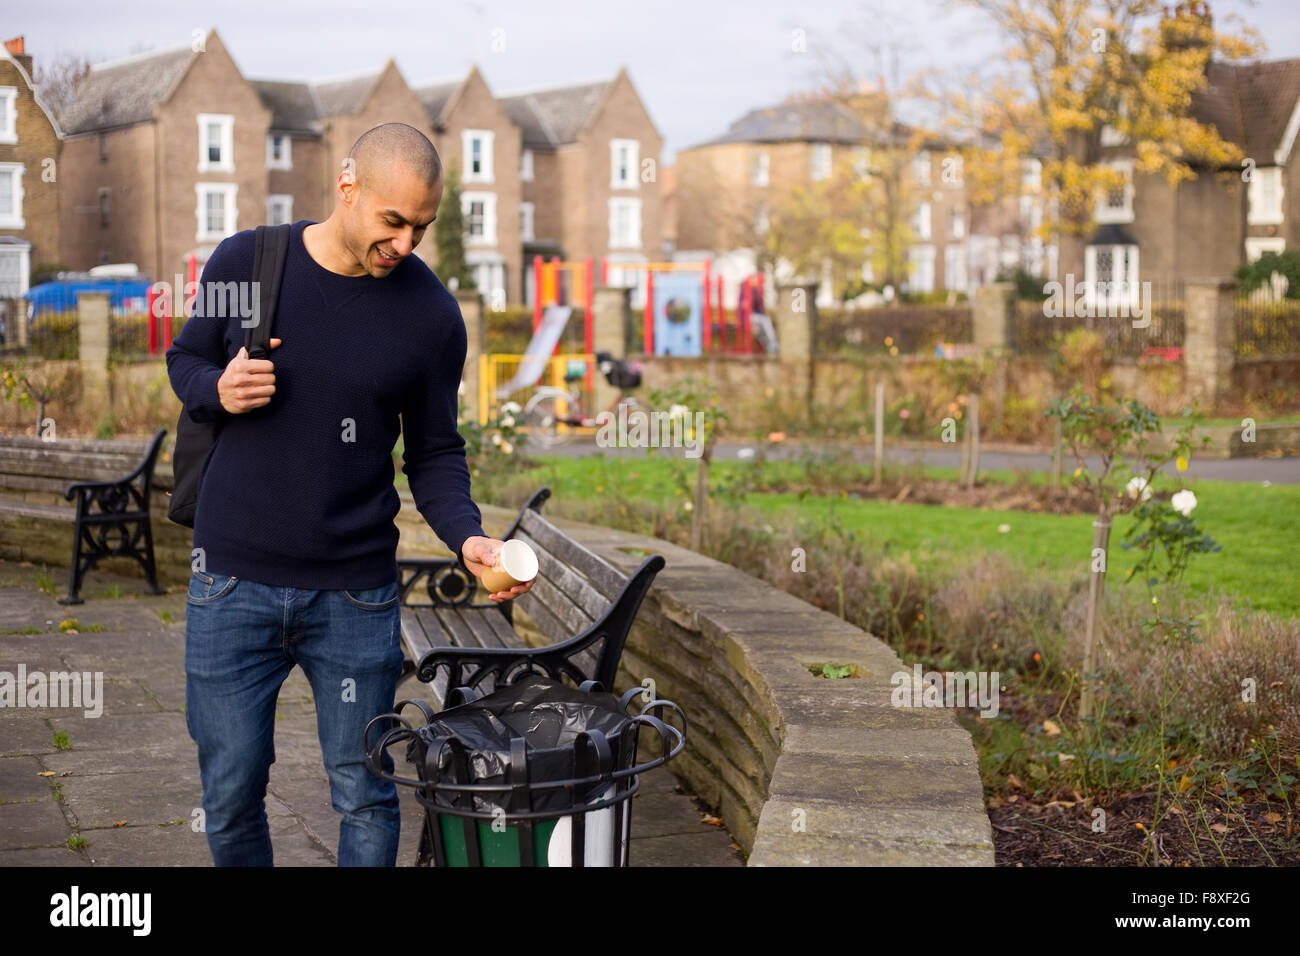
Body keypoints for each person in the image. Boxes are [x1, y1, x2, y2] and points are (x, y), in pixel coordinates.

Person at [165, 122, 532, 867]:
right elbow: (186, 358)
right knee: (230, 793)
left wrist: (468, 536)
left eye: (421, 227)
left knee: (365, 796)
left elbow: (433, 453)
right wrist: (219, 388)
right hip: (232, 580)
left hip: (355, 596)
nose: (405, 243)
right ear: (347, 188)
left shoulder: (431, 317)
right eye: (392, 221)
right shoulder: (248, 260)